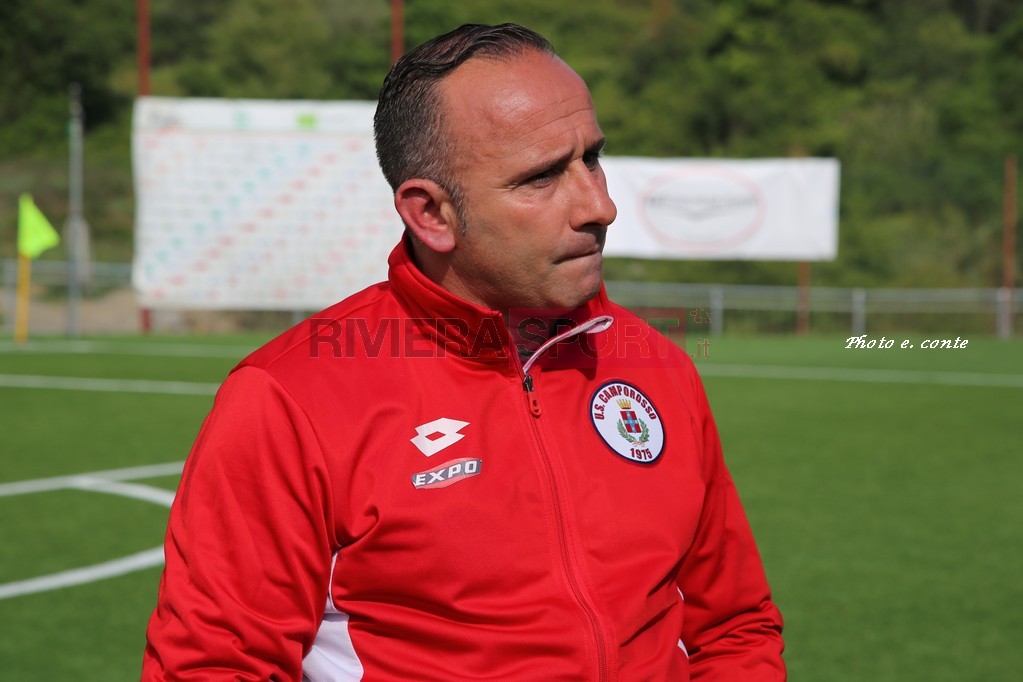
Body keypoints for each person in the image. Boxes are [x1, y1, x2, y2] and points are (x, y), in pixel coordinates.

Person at [142, 23, 784, 681]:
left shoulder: (656, 363)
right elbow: (214, 665)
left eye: (591, 158)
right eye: (540, 177)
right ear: (431, 214)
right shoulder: (289, 398)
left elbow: (733, 628)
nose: (600, 206)